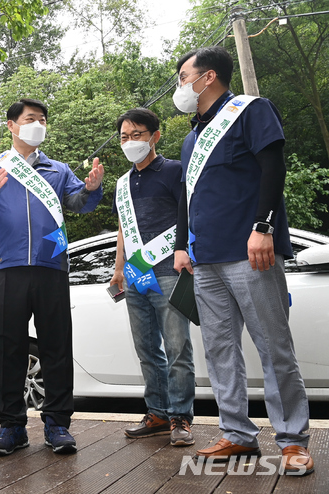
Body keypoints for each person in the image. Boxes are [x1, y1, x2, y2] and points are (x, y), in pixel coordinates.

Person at [172, 46, 313, 475]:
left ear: (208, 76)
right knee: (218, 350)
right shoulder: (192, 137)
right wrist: (181, 244)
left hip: (251, 252)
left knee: (274, 347)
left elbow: (273, 167)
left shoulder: (252, 111)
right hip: (205, 260)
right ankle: (237, 434)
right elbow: (187, 195)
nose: (179, 86)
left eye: (183, 76)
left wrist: (263, 226)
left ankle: (292, 441)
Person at [0, 98, 104, 456]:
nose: (37, 124)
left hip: (51, 266)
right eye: (30, 119)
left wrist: (90, 188)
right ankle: (12, 427)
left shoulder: (57, 170)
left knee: (56, 345)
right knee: (10, 347)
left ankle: (58, 424)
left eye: (42, 119)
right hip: (7, 267)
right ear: (11, 125)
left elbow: (79, 203)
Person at [110, 108, 195, 447]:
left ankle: (181, 418)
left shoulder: (174, 170)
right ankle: (157, 413)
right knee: (147, 348)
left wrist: (184, 250)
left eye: (138, 135)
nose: (131, 142)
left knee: (177, 348)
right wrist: (118, 269)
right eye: (124, 137)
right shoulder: (123, 182)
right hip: (135, 276)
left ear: (155, 136)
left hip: (170, 273)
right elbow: (123, 229)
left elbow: (188, 215)